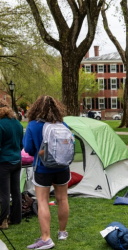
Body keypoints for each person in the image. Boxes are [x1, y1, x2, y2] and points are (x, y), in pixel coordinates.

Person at [24, 96, 71, 249]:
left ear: (36, 108)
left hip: (43, 168)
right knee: (62, 199)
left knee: (43, 201)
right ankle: (62, 232)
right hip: (62, 167)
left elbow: (29, 149)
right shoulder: (62, 124)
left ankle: (46, 238)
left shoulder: (33, 125)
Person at [0, 99, 23, 230]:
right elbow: (21, 145)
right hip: (17, 160)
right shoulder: (18, 124)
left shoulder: (0, 124)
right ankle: (16, 218)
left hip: (4, 162)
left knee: (4, 193)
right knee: (16, 191)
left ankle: (3, 221)